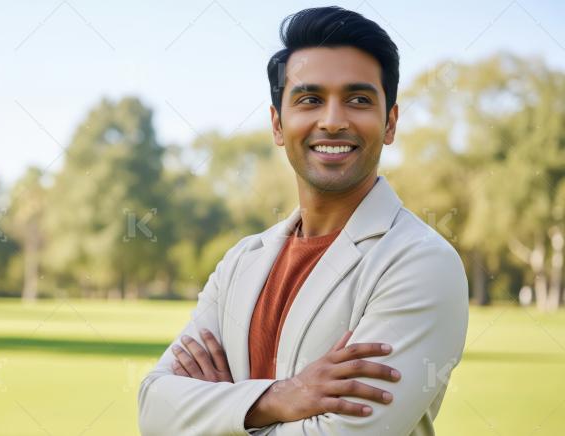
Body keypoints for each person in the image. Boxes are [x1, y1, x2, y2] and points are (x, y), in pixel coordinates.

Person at [137, 6, 469, 435]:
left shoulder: (421, 264)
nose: (332, 121)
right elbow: (153, 412)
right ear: (278, 124)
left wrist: (220, 413)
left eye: (359, 99)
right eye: (310, 99)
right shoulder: (242, 260)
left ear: (390, 123)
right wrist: (279, 398)